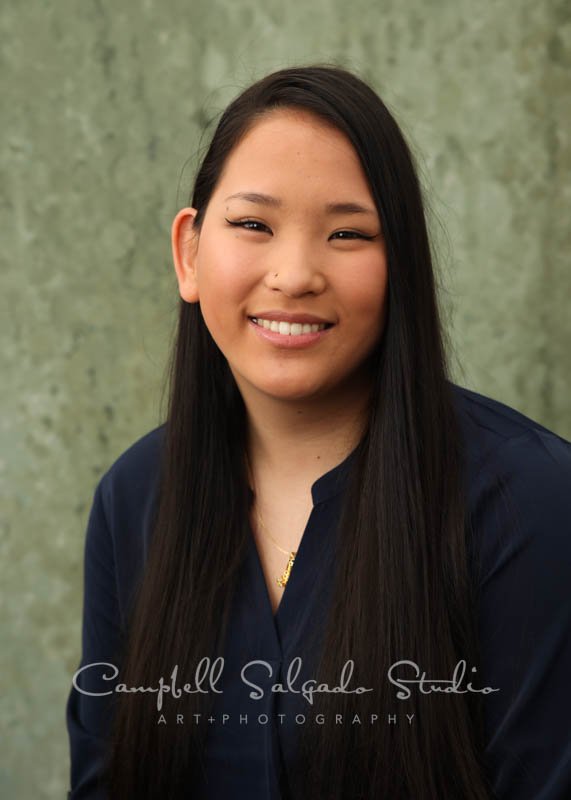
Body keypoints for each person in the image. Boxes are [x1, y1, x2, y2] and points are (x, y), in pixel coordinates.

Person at [65, 64, 571, 800]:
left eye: (347, 233)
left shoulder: (529, 501)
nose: (295, 273)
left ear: (401, 266)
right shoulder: (133, 499)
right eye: (251, 225)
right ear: (188, 252)